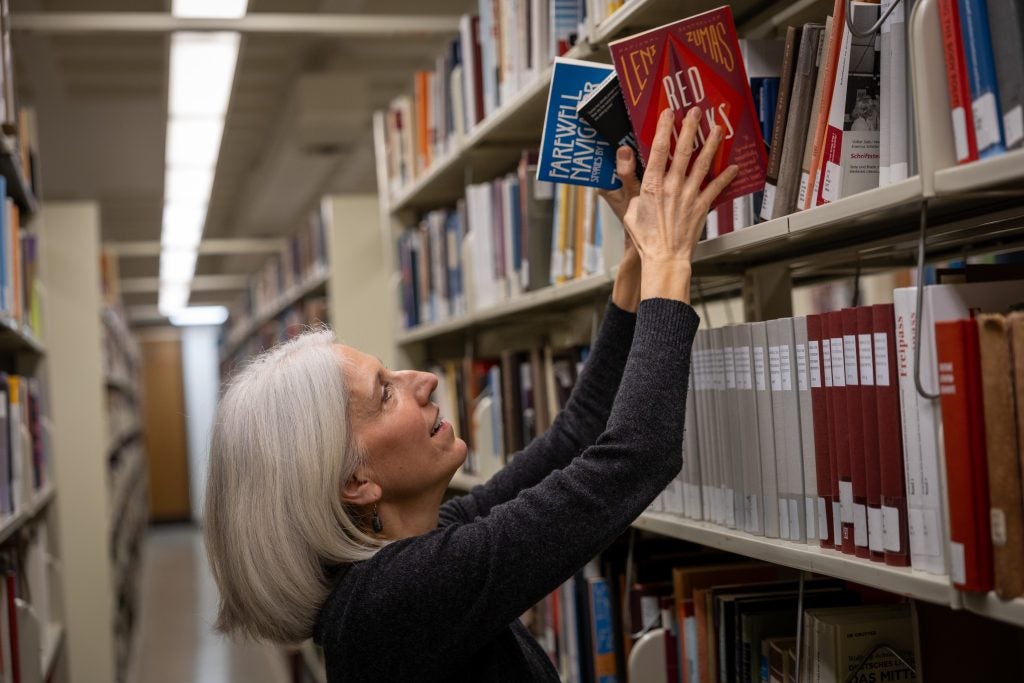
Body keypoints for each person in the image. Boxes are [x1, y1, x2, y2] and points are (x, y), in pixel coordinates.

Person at [204, 106, 739, 682]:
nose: (424, 380)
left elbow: (576, 437)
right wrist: (670, 261)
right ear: (356, 481)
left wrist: (637, 257)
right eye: (386, 393)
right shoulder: (392, 602)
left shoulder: (413, 547)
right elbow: (633, 459)